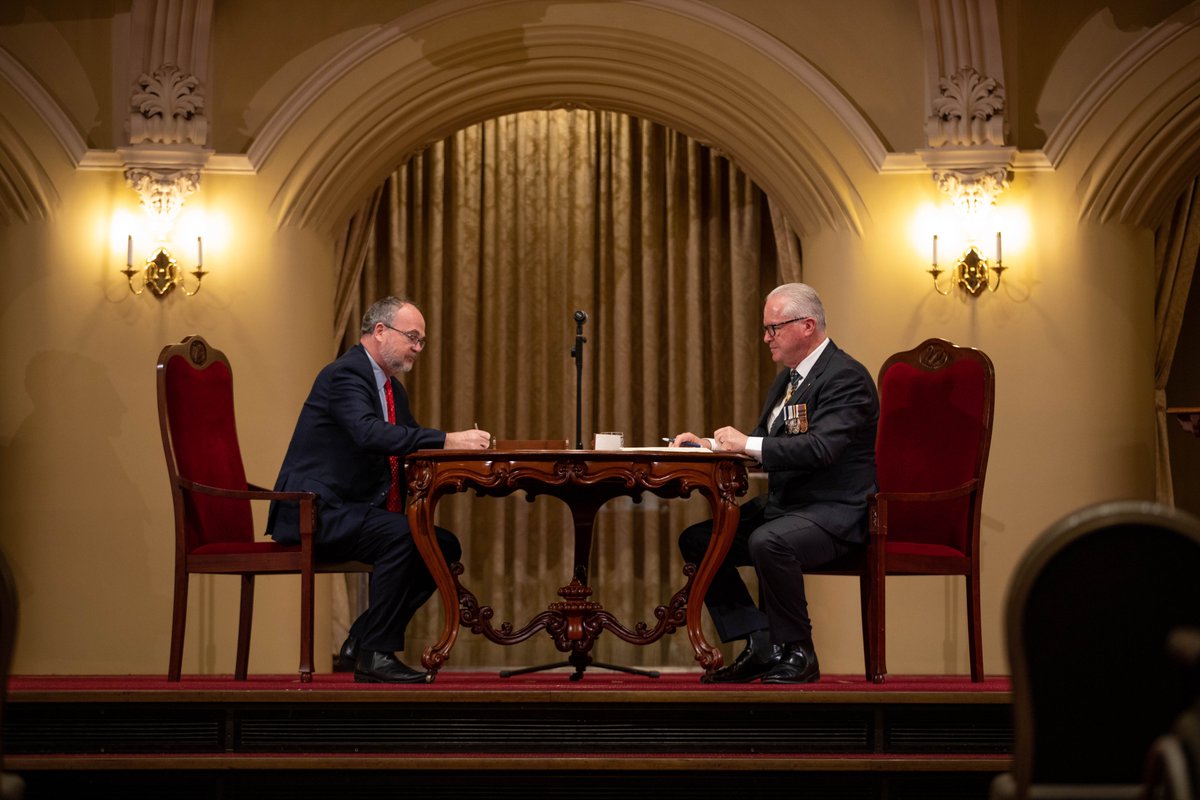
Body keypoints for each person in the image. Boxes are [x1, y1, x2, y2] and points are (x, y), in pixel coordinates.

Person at [267, 296, 491, 683]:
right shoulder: (344, 374)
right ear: (380, 331)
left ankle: (362, 636)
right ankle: (375, 656)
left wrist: (463, 461)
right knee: (406, 537)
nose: (418, 348)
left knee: (443, 545)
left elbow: (410, 445)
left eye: (422, 341)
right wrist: (448, 440)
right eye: (413, 337)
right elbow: (369, 433)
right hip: (316, 511)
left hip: (353, 510)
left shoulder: (393, 390)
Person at [672, 283, 878, 684]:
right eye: (766, 329)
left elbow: (820, 449)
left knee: (769, 540)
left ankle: (800, 651)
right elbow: (765, 443)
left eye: (773, 328)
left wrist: (746, 443)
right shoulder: (788, 380)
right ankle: (759, 640)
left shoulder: (845, 377)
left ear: (807, 325)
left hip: (835, 510)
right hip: (789, 505)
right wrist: (711, 446)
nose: (766, 338)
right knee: (698, 540)